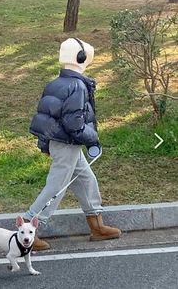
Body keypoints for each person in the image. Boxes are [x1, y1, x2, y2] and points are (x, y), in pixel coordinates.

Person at [23, 38, 121, 251]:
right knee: (56, 187)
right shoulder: (77, 85)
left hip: (63, 144)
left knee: (87, 181)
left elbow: (46, 117)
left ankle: (97, 226)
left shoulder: (55, 83)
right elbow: (73, 123)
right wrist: (92, 138)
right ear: (81, 58)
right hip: (67, 144)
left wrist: (44, 144)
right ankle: (27, 228)